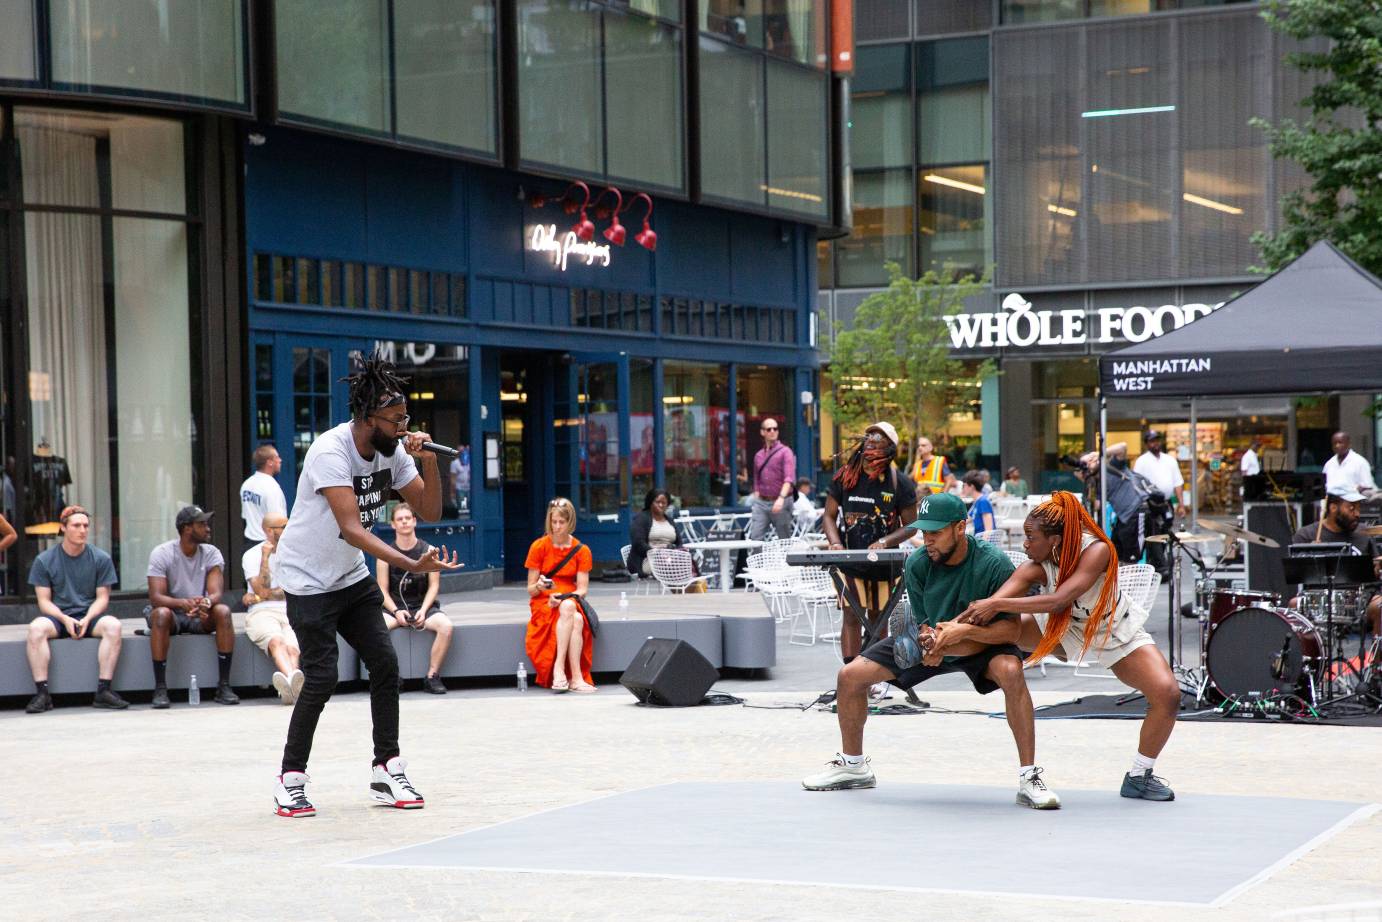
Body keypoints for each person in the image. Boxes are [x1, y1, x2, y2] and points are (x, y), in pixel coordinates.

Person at [270, 352, 461, 819]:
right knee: (322, 677)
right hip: (308, 579)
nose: (403, 427)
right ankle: (290, 780)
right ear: (367, 417)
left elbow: (431, 511)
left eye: (406, 419)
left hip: (349, 575)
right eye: (395, 419)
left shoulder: (395, 453)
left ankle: (386, 766)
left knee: (385, 662)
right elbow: (353, 529)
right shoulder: (330, 452)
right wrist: (412, 564)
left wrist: (427, 463)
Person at [802, 491, 1059, 810]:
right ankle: (854, 767)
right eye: (924, 532)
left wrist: (960, 634)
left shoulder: (994, 563)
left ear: (960, 527)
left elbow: (1012, 630)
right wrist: (929, 643)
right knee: (850, 676)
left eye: (935, 532)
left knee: (1011, 671)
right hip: (933, 637)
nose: (928, 540)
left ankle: (1028, 778)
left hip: (980, 642)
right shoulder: (918, 562)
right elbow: (921, 621)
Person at [960, 492, 1182, 801]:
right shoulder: (1036, 565)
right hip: (1062, 627)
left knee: (1168, 694)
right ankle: (937, 646)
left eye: (1030, 537)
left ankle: (1139, 776)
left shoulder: (1097, 549)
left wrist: (995, 602)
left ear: (1054, 540)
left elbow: (1058, 599)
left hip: (1110, 629)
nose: (1025, 544)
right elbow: (991, 606)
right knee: (997, 630)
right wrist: (953, 626)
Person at [823, 423, 919, 662]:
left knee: (878, 618)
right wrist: (835, 543)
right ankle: (850, 671)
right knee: (852, 615)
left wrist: (885, 541)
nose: (872, 442)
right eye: (870, 438)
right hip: (850, 562)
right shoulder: (846, 476)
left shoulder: (900, 482)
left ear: (890, 448)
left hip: (884, 564)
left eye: (880, 439)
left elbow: (912, 524)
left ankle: (871, 674)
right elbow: (828, 516)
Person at [24, 505, 126, 713]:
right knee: (35, 629)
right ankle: (42, 694)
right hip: (58, 617)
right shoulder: (44, 560)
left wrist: (87, 618)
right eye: (76, 525)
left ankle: (104, 690)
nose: (83, 530)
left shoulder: (101, 558)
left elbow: (102, 598)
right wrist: (64, 619)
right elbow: (43, 602)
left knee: (114, 626)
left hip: (90, 616)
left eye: (86, 526)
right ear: (63, 528)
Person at [146, 505, 238, 709]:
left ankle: (224, 685)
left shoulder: (211, 552)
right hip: (173, 615)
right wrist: (182, 603)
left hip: (202, 615)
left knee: (222, 611)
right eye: (202, 524)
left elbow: (215, 592)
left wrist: (206, 602)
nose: (208, 529)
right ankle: (160, 687)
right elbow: (156, 597)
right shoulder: (162, 553)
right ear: (187, 528)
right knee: (160, 614)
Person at [377, 503, 455, 695]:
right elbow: (382, 590)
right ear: (393, 524)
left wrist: (423, 610)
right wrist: (396, 611)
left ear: (414, 521)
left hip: (423, 606)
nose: (404, 522)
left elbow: (434, 586)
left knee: (446, 626)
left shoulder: (429, 551)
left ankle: (432, 676)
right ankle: (392, 677)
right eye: (399, 519)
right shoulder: (385, 555)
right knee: (375, 630)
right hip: (395, 609)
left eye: (407, 518)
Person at [526, 497, 595, 693]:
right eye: (553, 522)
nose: (557, 527)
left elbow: (582, 589)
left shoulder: (582, 550)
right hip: (543, 601)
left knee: (569, 607)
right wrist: (539, 586)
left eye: (561, 522)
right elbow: (530, 589)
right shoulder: (538, 547)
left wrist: (565, 597)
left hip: (568, 597)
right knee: (577, 620)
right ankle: (576, 677)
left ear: (570, 522)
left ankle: (559, 669)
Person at [1291, 486, 1382, 636]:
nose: (1357, 514)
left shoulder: (1363, 534)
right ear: (1333, 508)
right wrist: (1309, 553)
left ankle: (1375, 659)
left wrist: (1377, 567)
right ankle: (1310, 658)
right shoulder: (1307, 535)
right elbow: (1296, 574)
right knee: (1294, 605)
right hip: (1320, 600)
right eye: (1351, 509)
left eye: (1358, 509)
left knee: (1381, 606)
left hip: (1360, 599)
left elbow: (1374, 570)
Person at [242, 512, 304, 706]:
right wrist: (265, 558)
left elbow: (295, 589)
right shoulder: (252, 555)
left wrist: (259, 596)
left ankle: (289, 688)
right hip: (262, 612)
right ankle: (294, 687)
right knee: (277, 641)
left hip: (290, 609)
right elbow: (261, 587)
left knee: (293, 648)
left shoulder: (294, 552)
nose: (288, 529)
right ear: (269, 531)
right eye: (283, 527)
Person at [1102, 444, 1157, 564]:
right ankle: (1124, 579)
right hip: (1123, 517)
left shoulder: (1112, 466)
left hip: (1137, 511)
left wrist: (1101, 453)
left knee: (1133, 555)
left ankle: (1137, 579)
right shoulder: (1095, 478)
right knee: (1117, 553)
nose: (1087, 465)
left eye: (1090, 460)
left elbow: (1122, 447)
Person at [746, 417, 796, 541]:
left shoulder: (785, 452)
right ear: (762, 432)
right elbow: (757, 477)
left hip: (781, 500)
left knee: (784, 538)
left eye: (775, 428)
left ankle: (785, 561)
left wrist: (781, 498)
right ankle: (757, 560)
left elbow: (789, 479)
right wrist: (757, 492)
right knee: (755, 537)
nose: (773, 431)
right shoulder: (758, 455)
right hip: (761, 502)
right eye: (769, 429)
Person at [239, 442, 287, 554]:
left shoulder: (246, 484)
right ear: (269, 462)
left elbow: (245, 515)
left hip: (249, 543)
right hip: (268, 545)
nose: (280, 460)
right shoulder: (272, 487)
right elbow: (278, 522)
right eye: (277, 457)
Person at [628, 487, 683, 576]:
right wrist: (659, 553)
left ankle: (687, 588)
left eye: (664, 503)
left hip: (669, 558)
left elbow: (679, 543)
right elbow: (638, 543)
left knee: (687, 565)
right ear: (650, 502)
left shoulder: (669, 521)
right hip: (647, 559)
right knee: (678, 568)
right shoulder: (641, 519)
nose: (661, 505)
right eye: (657, 502)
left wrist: (676, 552)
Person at [1322, 431, 1377, 497]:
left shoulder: (1359, 462)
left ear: (1348, 444)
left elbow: (1367, 486)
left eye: (1340, 443)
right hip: (1332, 502)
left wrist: (1350, 492)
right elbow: (1324, 485)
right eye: (1334, 443)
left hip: (1354, 502)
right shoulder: (1329, 464)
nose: (1337, 446)